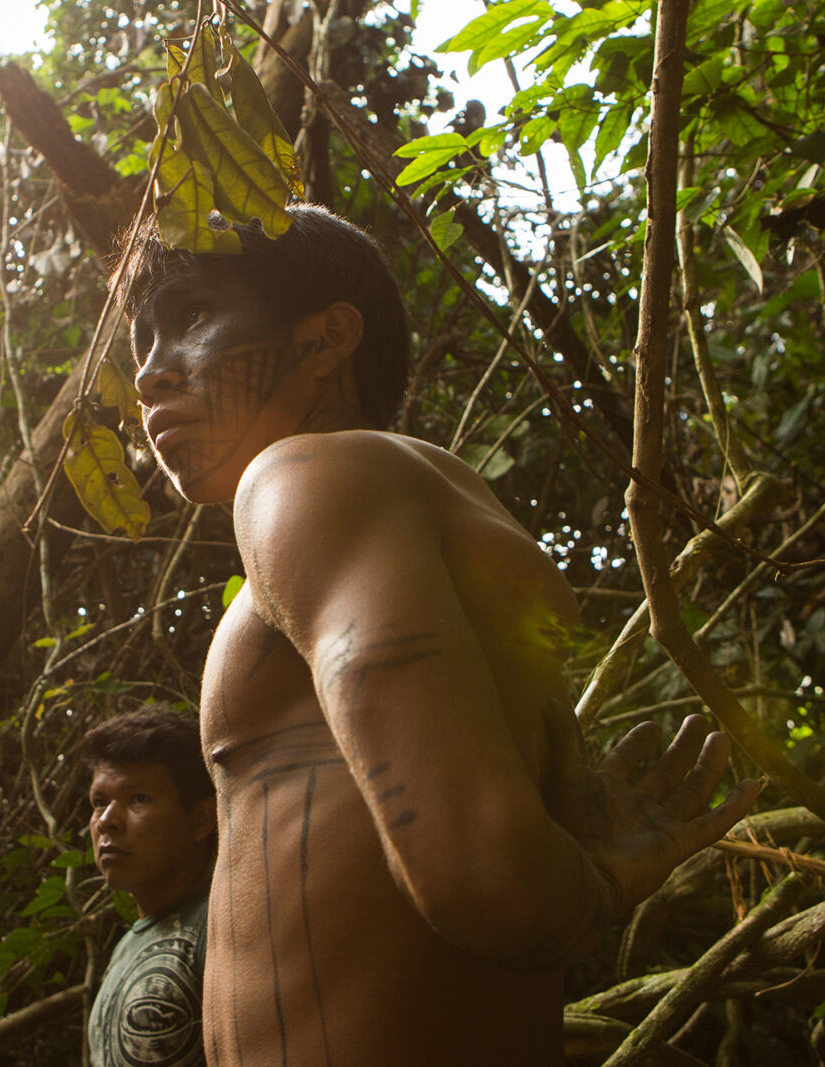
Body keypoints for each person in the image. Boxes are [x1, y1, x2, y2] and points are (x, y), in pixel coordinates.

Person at [120, 203, 762, 1066]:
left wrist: (600, 881)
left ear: (326, 339)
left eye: (192, 315)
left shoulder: (306, 477)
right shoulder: (398, 501)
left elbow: (492, 879)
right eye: (142, 344)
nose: (147, 376)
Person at [80, 708, 216, 1067]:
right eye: (99, 803)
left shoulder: (225, 928)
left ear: (201, 819)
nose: (106, 821)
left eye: (137, 798)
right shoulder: (126, 947)